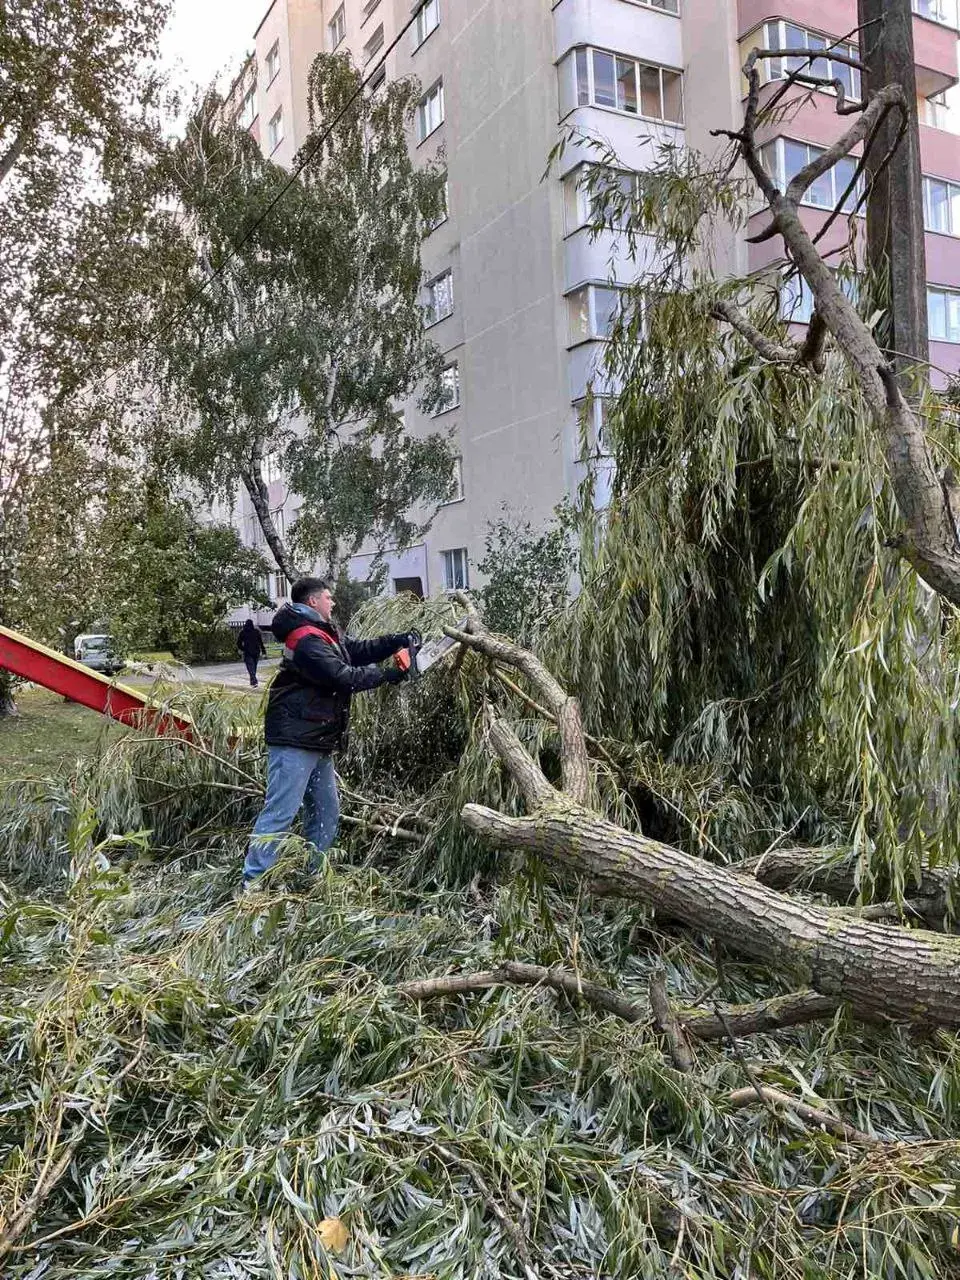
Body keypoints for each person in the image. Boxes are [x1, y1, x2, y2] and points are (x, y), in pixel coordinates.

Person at [242, 576, 416, 887]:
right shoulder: (306, 640)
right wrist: (391, 674)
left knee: (325, 812)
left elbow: (357, 651)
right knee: (281, 812)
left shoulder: (322, 634)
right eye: (328, 598)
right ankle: (252, 885)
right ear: (313, 601)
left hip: (317, 737)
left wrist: (397, 641)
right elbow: (343, 676)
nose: (332, 602)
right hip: (296, 738)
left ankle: (313, 876)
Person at [237, 619, 267, 688]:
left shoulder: (243, 632)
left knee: (250, 668)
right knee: (254, 667)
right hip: (256, 652)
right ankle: (253, 681)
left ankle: (253, 681)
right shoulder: (256, 632)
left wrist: (243, 648)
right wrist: (263, 651)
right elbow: (261, 642)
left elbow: (238, 643)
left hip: (248, 652)